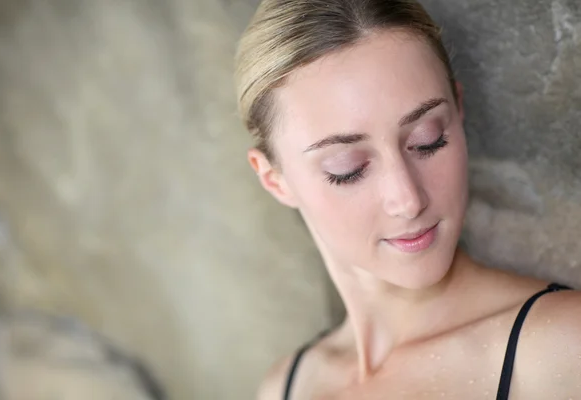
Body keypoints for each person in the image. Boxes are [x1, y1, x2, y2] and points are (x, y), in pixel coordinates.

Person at [234, 1, 581, 399]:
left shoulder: (562, 350)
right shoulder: (284, 389)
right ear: (275, 180)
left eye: (427, 139)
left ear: (458, 109)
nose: (408, 199)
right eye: (348, 168)